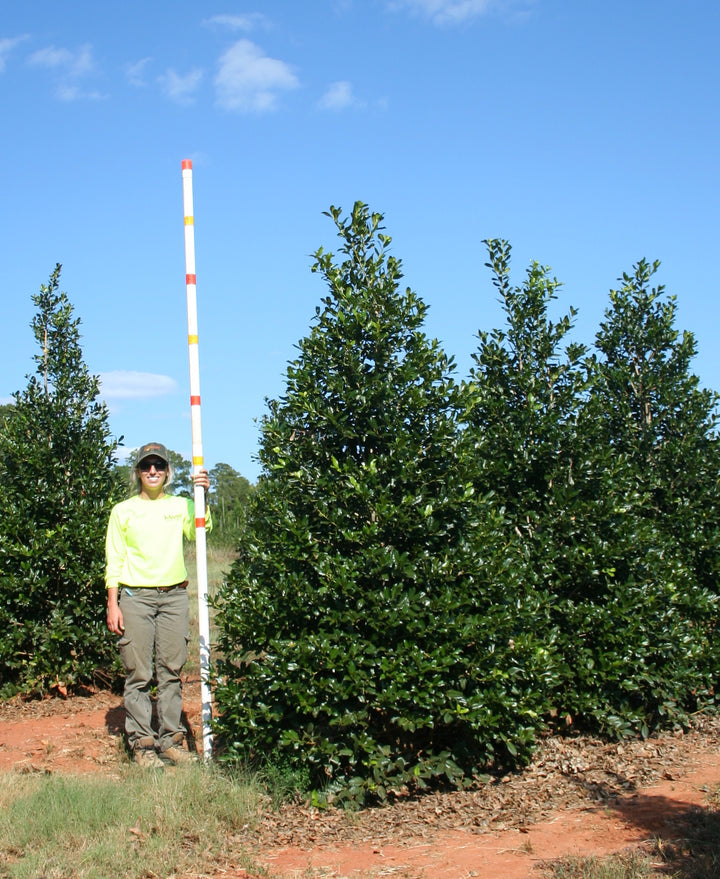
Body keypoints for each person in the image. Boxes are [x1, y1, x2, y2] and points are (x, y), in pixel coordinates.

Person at [105, 442, 211, 768]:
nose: (153, 471)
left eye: (159, 466)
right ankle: (142, 745)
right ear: (138, 471)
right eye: (147, 465)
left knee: (171, 671)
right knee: (138, 673)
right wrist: (113, 603)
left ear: (167, 472)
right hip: (135, 598)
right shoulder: (123, 511)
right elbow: (115, 559)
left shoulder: (180, 505)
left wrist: (204, 495)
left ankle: (172, 741)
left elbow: (202, 529)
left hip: (174, 597)